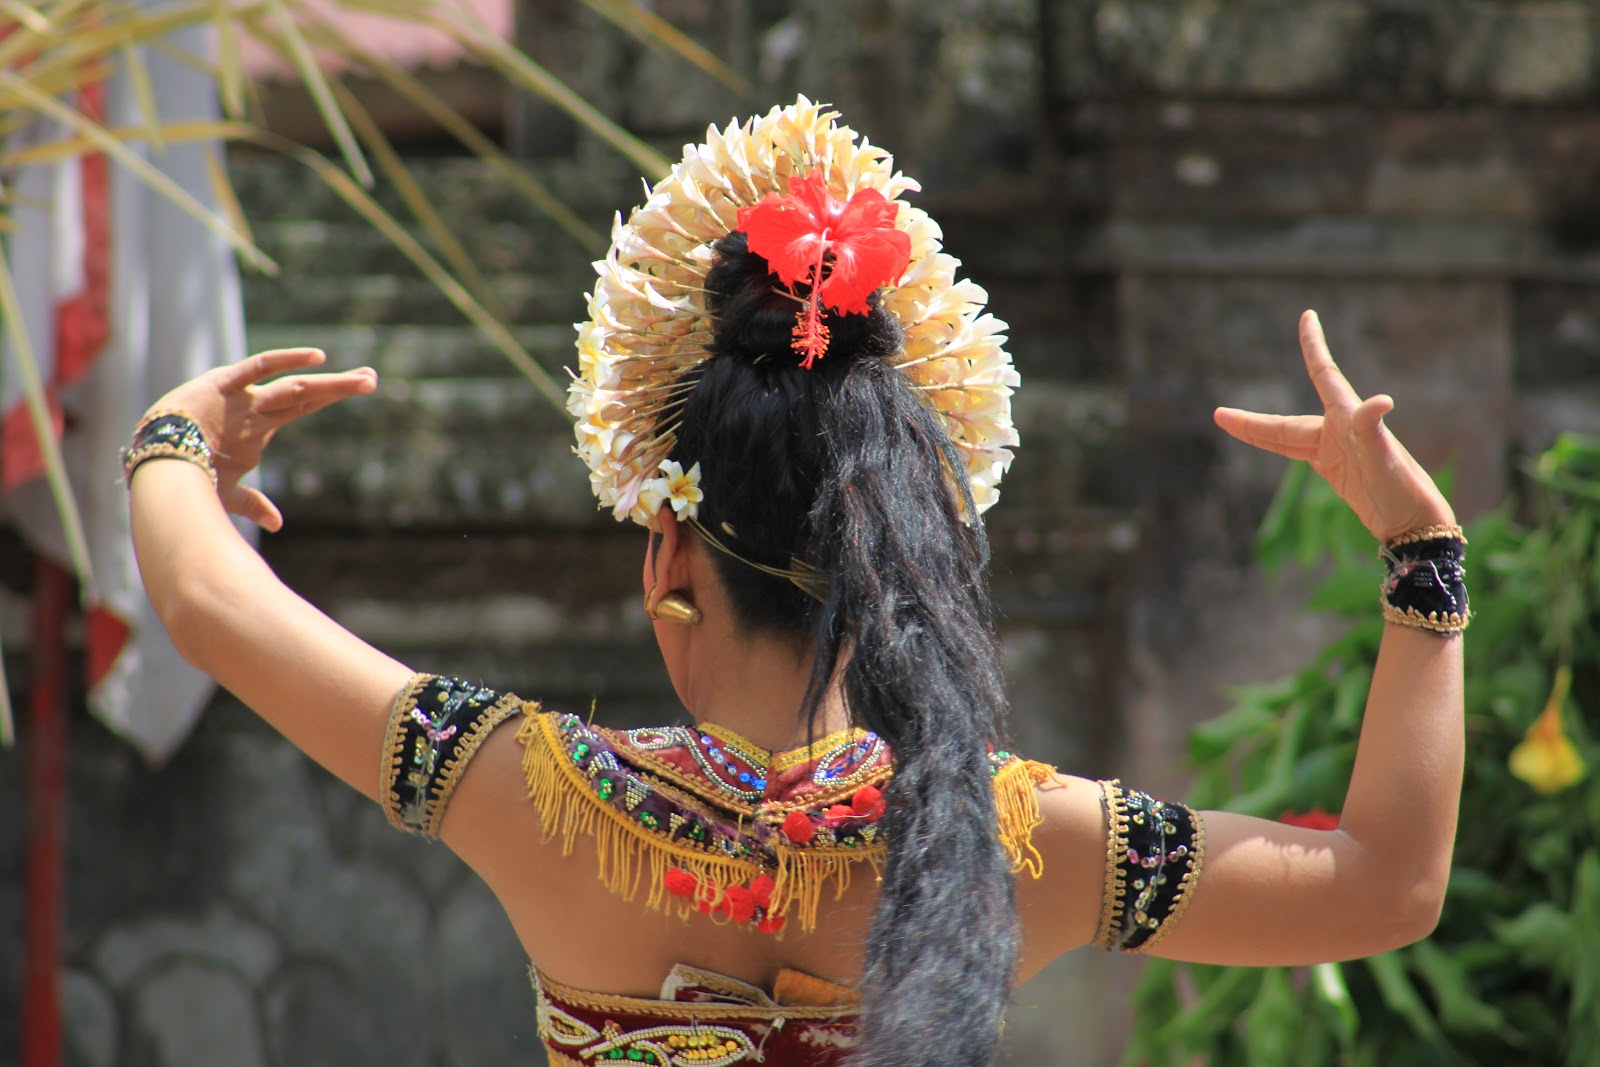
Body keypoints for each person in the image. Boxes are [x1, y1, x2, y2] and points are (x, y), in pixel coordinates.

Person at [126, 100, 1466, 1067]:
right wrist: (1423, 559)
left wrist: (174, 441)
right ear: (904, 575)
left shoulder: (535, 795)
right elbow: (1384, 885)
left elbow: (207, 604)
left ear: (669, 564)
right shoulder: (1018, 842)